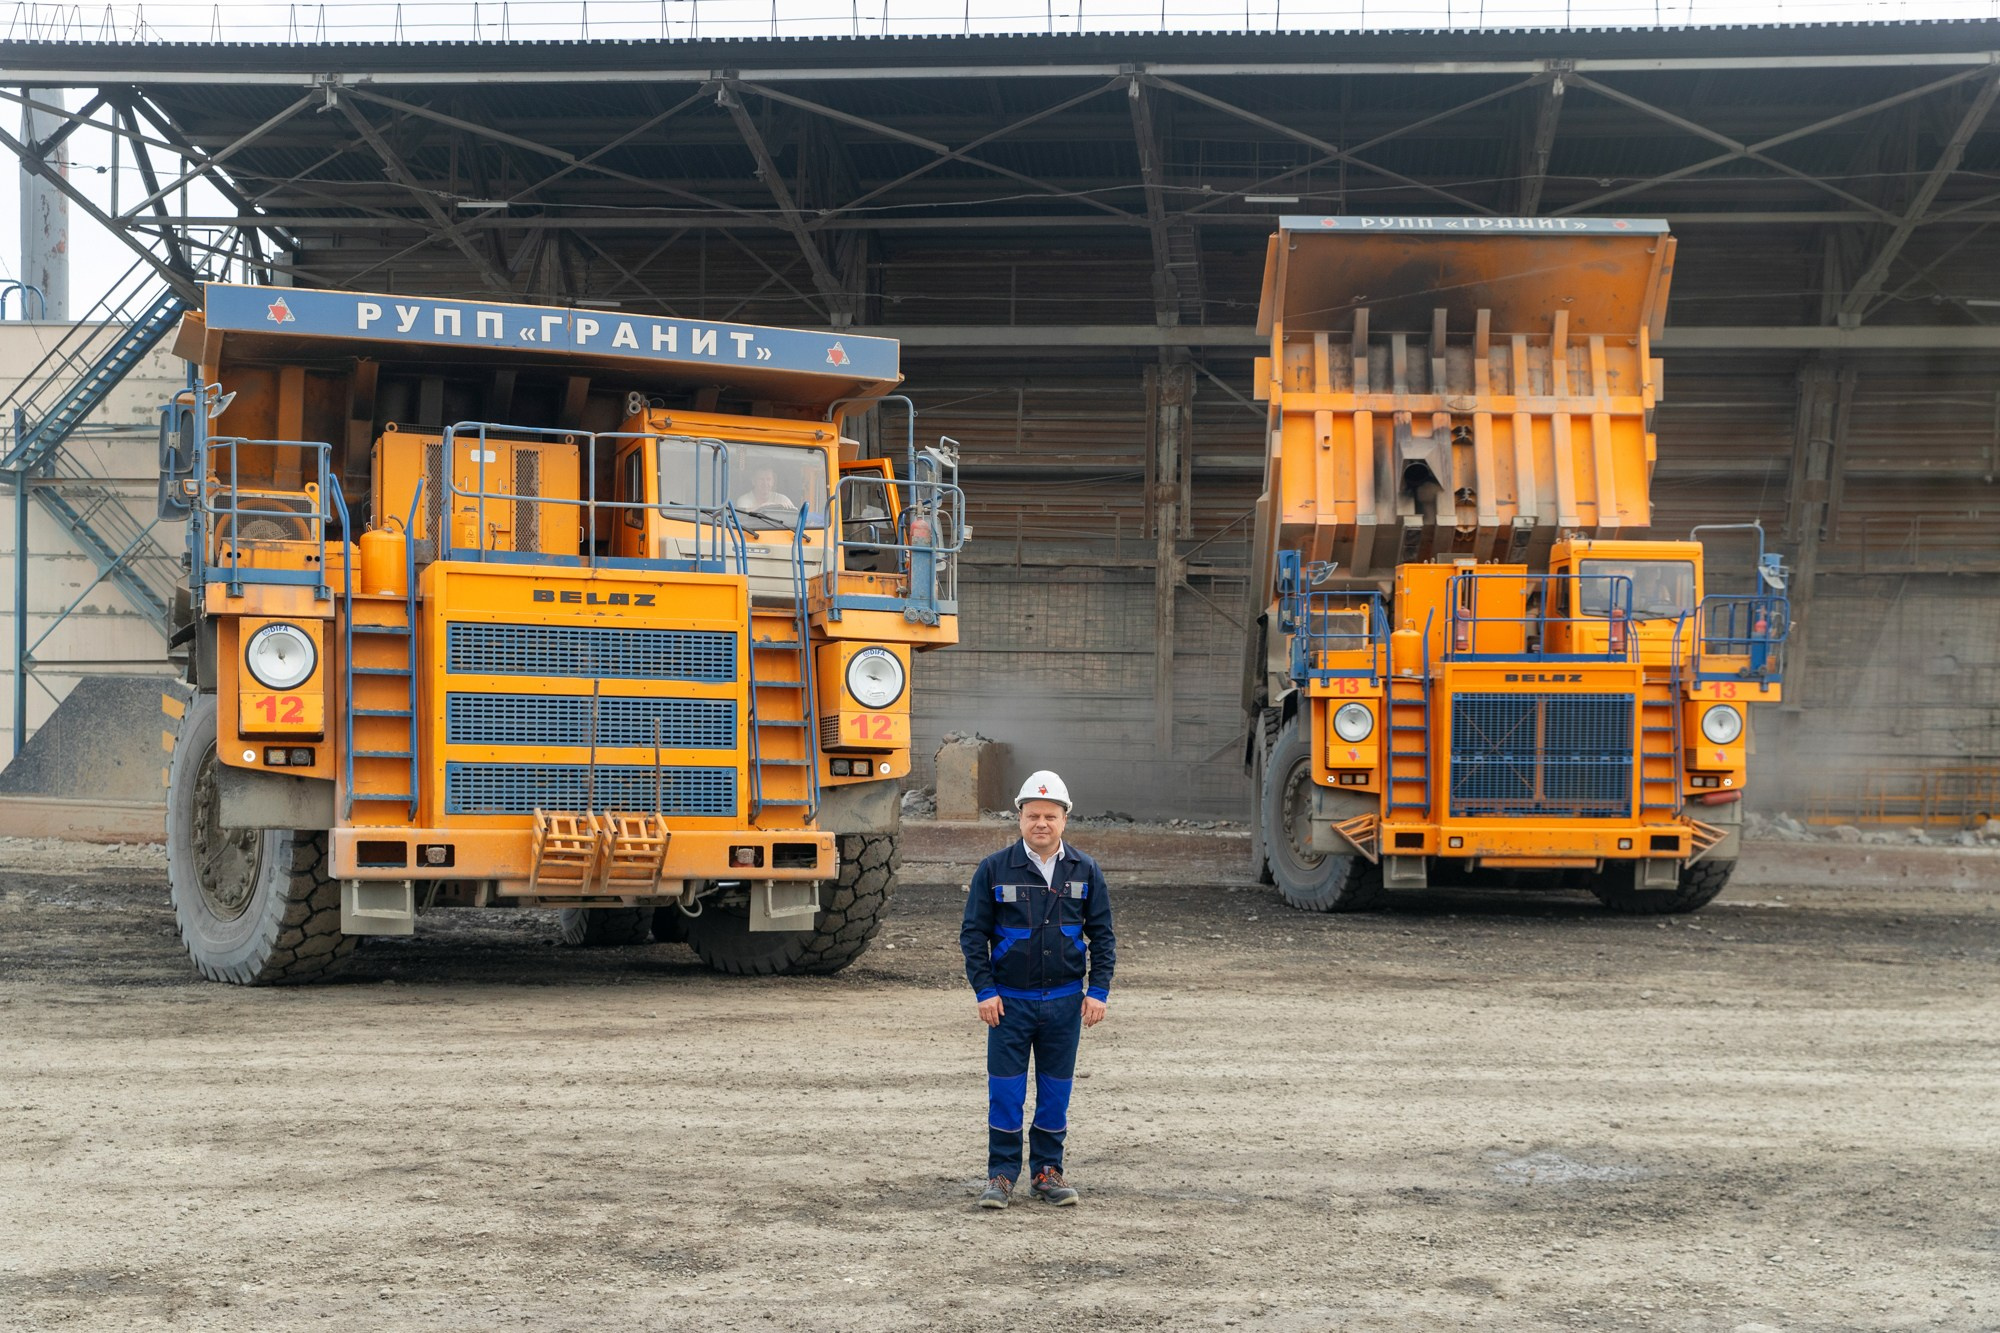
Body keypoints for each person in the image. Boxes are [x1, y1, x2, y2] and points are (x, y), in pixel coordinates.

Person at [960, 770, 1116, 1210]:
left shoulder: (1085, 870)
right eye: (1033, 815)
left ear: (1065, 819)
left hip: (1066, 1004)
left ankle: (1047, 1174)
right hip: (1008, 1005)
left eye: (1050, 815)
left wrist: (1098, 990)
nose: (1041, 823)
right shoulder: (994, 869)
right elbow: (973, 935)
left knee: (1054, 1093)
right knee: (1005, 1093)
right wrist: (984, 990)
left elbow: (1102, 936)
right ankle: (1001, 1176)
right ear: (1020, 818)